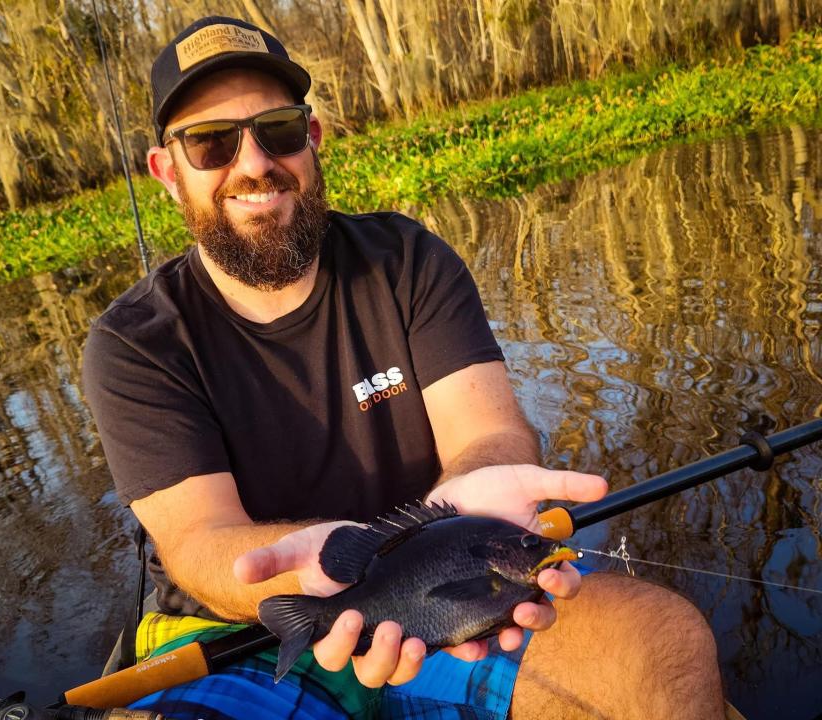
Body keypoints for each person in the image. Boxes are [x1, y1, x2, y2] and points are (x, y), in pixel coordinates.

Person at [82, 15, 725, 719]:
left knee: (666, 642)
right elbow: (201, 542)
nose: (254, 163)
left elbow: (487, 438)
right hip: (241, 633)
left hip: (445, 596)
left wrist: (457, 532)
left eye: (279, 130)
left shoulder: (406, 261)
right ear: (166, 171)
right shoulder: (134, 343)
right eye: (210, 143)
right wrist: (323, 570)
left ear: (313, 139)